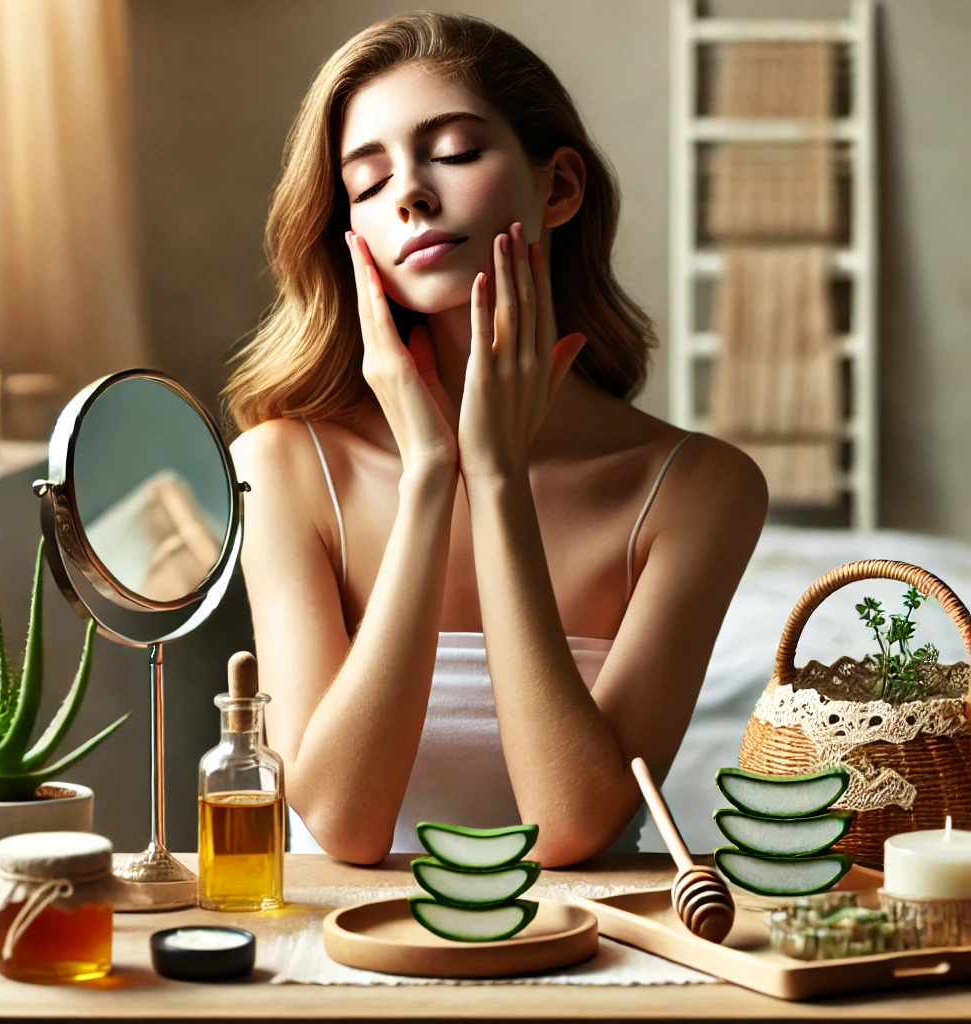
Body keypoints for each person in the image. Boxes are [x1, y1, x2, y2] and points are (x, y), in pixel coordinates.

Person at [223, 12, 768, 868]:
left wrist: (500, 481)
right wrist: (432, 478)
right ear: (349, 228)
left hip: (585, 972)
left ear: (558, 189)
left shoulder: (701, 488)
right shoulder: (281, 467)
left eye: (455, 152)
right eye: (367, 182)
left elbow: (571, 828)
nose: (409, 193)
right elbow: (342, 824)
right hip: (338, 968)